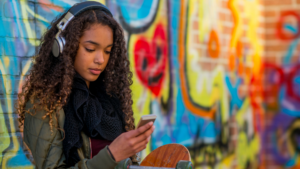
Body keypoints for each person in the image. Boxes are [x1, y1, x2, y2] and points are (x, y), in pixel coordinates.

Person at [16, 1, 155, 169]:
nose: (100, 60)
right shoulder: (45, 103)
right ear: (64, 46)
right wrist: (112, 155)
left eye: (107, 51)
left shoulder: (110, 100)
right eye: (90, 49)